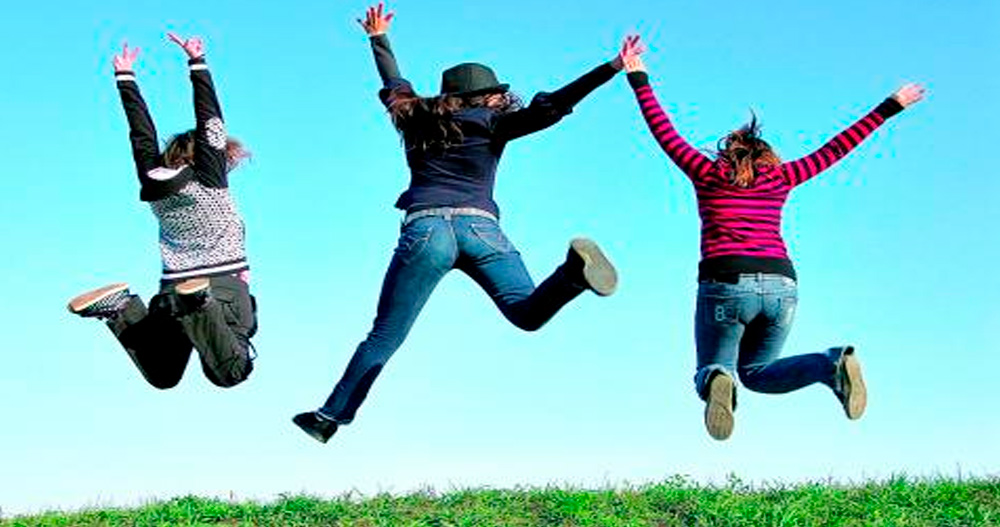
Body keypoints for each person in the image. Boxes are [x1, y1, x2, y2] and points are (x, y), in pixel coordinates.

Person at [293, 4, 642, 443]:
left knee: (384, 335)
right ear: (488, 96)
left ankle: (329, 418)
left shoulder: (413, 117)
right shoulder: (495, 123)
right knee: (527, 313)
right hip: (480, 229)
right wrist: (610, 68)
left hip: (424, 231)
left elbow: (393, 84)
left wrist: (378, 38)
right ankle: (572, 275)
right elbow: (554, 106)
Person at [622, 43, 925, 440]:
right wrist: (889, 107)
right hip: (782, 285)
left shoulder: (704, 172)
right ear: (769, 159)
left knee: (714, 369)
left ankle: (716, 377)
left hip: (724, 281)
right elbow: (837, 147)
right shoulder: (784, 177)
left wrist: (637, 78)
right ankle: (828, 366)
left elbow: (663, 129)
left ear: (727, 154)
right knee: (758, 374)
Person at [67, 34, 257, 390]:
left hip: (171, 290)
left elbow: (141, 136)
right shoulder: (210, 179)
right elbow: (211, 123)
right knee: (230, 372)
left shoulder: (152, 183)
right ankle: (198, 303)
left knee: (163, 374)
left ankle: (120, 307)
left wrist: (126, 79)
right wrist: (197, 63)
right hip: (222, 288)